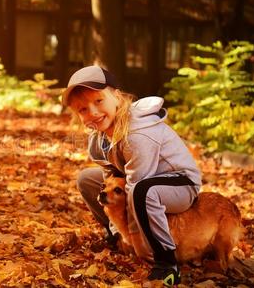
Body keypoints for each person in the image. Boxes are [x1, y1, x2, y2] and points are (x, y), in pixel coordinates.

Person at [62, 65, 202, 287]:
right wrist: (120, 229)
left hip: (179, 185)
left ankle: (166, 263)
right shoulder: (97, 141)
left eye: (98, 101)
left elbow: (136, 187)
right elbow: (112, 180)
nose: (93, 113)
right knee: (88, 180)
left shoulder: (137, 133)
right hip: (141, 184)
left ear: (116, 96)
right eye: (83, 109)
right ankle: (114, 235)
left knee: (142, 191)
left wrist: (135, 239)